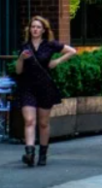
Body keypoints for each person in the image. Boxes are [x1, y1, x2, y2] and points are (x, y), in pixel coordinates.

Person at [15, 16, 77, 167]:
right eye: (33, 27)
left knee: (43, 123)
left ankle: (43, 153)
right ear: (29, 30)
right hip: (27, 86)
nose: (35, 29)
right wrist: (21, 59)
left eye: (38, 27)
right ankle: (29, 153)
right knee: (29, 120)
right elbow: (18, 71)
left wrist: (56, 61)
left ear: (43, 30)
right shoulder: (25, 46)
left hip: (45, 87)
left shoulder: (50, 45)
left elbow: (72, 51)